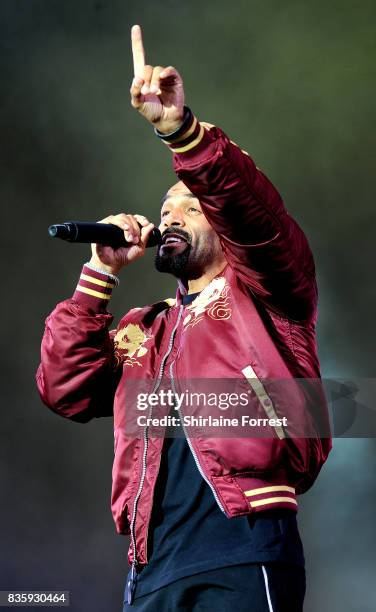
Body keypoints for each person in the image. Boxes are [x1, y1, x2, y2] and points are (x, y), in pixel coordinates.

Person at [36, 24, 331, 612]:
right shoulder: (143, 329)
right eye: (167, 206)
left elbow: (253, 212)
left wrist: (182, 133)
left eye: (192, 205)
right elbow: (64, 388)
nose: (172, 214)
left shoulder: (269, 291)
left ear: (223, 222)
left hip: (243, 544)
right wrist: (99, 275)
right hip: (152, 567)